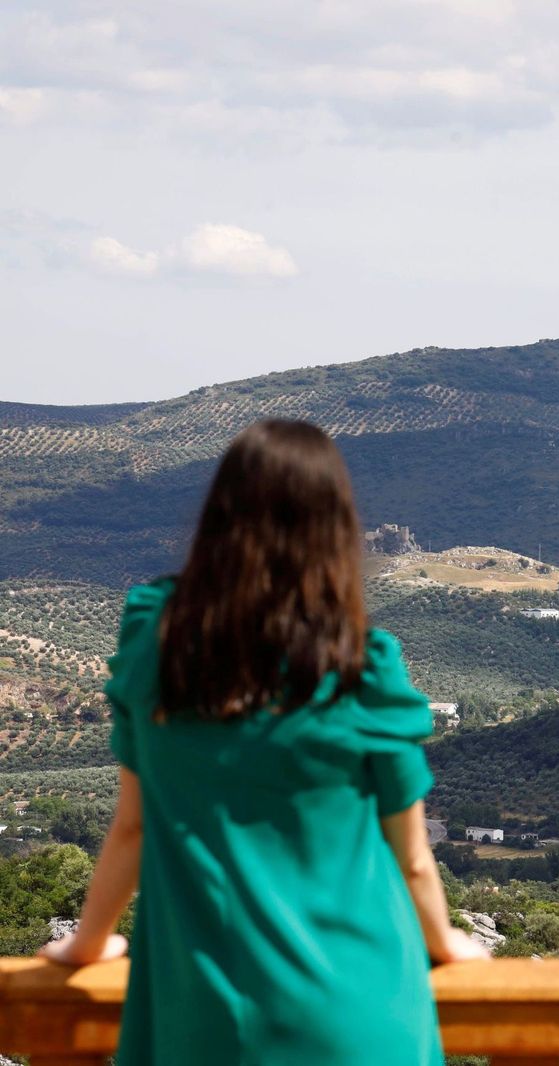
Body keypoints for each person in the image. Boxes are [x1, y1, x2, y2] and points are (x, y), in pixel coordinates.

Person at [39, 418, 488, 1065]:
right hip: (362, 1014)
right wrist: (444, 943)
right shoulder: (363, 668)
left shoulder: (156, 641)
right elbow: (413, 856)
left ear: (221, 516)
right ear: (335, 532)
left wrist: (86, 945)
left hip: (206, 1015)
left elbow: (132, 829)